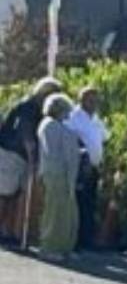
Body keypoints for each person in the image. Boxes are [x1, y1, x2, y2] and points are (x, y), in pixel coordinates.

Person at [0, 77, 63, 246]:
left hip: (19, 157)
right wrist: (33, 159)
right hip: (10, 154)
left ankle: (6, 231)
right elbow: (26, 135)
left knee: (13, 196)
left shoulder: (36, 109)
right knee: (4, 195)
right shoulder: (29, 107)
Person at [34, 94, 81, 260]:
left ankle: (65, 247)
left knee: (69, 213)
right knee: (54, 213)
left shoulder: (59, 126)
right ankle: (48, 248)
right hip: (56, 174)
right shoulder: (49, 125)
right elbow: (52, 151)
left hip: (66, 175)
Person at [67, 87, 108, 251]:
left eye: (96, 100)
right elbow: (71, 139)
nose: (94, 103)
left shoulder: (97, 119)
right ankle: (74, 239)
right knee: (77, 203)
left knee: (89, 204)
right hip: (79, 166)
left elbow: (104, 138)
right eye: (90, 99)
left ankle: (86, 239)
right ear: (81, 99)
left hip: (94, 166)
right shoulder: (73, 117)